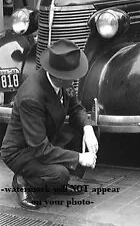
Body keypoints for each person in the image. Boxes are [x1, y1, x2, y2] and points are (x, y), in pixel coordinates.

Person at [1, 39, 98, 210]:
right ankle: (24, 181)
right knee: (59, 174)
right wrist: (79, 158)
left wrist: (87, 128)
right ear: (60, 77)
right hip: (21, 151)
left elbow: (76, 108)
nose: (77, 79)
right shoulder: (31, 96)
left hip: (46, 138)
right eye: (73, 75)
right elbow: (40, 150)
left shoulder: (61, 83)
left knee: (88, 135)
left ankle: (53, 180)